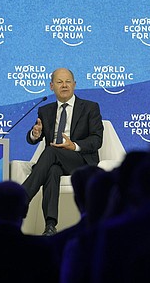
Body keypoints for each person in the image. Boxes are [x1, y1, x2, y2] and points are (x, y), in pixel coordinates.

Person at [22, 67, 104, 236]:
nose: (64, 85)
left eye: (68, 82)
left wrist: (74, 145)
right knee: (52, 170)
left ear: (74, 84)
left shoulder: (90, 108)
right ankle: (50, 226)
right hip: (54, 161)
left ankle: (20, 199)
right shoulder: (45, 111)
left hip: (80, 161)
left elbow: (97, 140)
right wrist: (34, 134)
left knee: (51, 152)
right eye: (59, 82)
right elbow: (32, 139)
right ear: (52, 86)